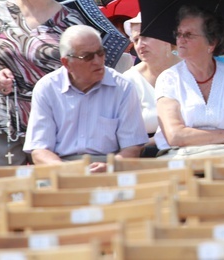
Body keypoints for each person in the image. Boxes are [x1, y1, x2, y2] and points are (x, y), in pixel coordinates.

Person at [0, 0, 84, 166]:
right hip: (2, 123)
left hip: (56, 124)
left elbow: (84, 75)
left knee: (53, 192)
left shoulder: (70, 22)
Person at [23, 26, 147, 170]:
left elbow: (132, 148)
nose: (98, 61)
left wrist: (110, 167)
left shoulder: (122, 87)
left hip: (110, 168)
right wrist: (68, 170)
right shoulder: (47, 88)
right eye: (87, 57)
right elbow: (39, 150)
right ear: (66, 63)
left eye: (101, 53)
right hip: (61, 167)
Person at [153, 6, 224, 155]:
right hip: (182, 159)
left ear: (211, 43)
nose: (180, 40)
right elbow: (175, 135)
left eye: (189, 35)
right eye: (178, 34)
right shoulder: (169, 79)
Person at [122, 14, 179, 139]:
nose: (140, 45)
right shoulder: (128, 80)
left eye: (146, 37)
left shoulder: (190, 69)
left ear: (166, 37)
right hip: (147, 154)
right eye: (136, 40)